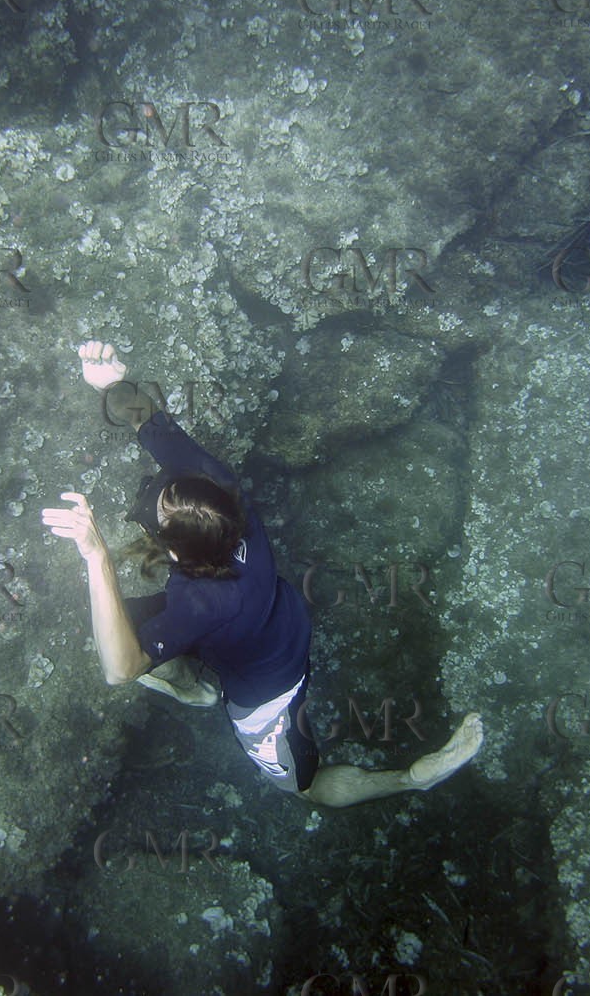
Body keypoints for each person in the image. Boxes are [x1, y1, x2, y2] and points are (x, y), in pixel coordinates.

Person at [41, 340, 484, 806]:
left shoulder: (201, 601)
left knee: (304, 787)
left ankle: (411, 779)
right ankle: (195, 690)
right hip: (272, 615)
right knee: (125, 624)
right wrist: (113, 385)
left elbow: (121, 669)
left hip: (270, 687)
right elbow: (146, 418)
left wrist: (98, 557)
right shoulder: (219, 486)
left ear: (174, 551)